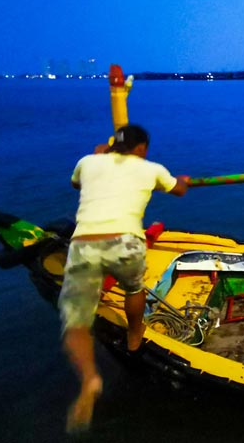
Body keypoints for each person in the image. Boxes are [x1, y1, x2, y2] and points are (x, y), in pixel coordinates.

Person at [58, 124, 189, 433]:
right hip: (126, 242)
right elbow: (179, 190)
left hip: (85, 243)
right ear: (141, 148)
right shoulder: (150, 168)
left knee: (75, 321)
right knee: (133, 288)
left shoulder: (87, 162)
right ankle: (134, 334)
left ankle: (90, 378)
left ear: (111, 146)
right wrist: (182, 181)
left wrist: (98, 156)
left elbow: (77, 184)